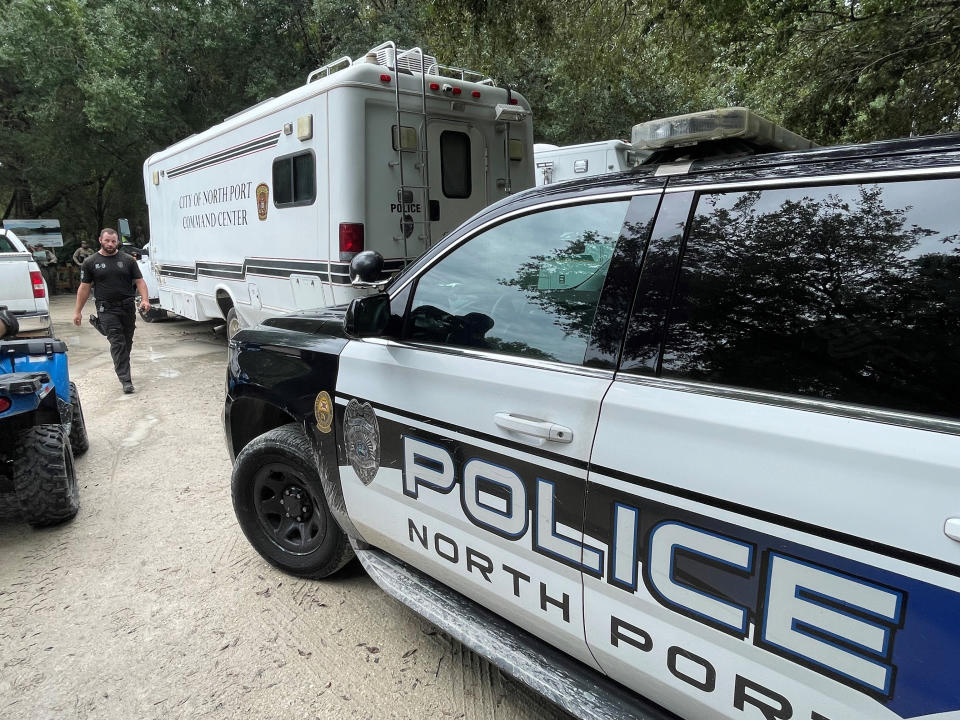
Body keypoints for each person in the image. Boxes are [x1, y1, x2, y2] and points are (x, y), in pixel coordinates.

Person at [72, 228, 151, 394]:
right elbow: (84, 288)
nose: (110, 244)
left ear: (117, 242)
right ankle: (126, 380)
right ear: (100, 239)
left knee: (126, 343)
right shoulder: (90, 262)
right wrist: (77, 311)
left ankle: (123, 367)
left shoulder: (128, 260)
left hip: (127, 308)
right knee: (118, 342)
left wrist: (145, 299)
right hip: (106, 309)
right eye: (107, 240)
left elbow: (140, 281)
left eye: (113, 241)